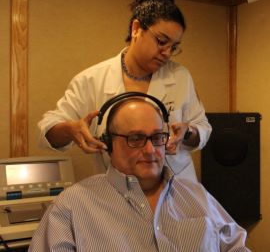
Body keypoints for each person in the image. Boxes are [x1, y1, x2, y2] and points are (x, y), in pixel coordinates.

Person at [38, 0, 212, 181]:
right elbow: (47, 128)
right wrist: (70, 129)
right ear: (136, 28)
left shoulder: (180, 76)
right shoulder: (92, 80)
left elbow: (203, 127)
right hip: (118, 192)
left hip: (175, 187)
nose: (167, 53)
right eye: (162, 41)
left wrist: (187, 132)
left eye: (174, 47)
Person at [29, 97, 250, 252]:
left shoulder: (196, 194)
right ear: (108, 144)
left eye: (156, 137)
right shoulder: (72, 207)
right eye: (135, 139)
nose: (150, 150)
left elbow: (236, 246)